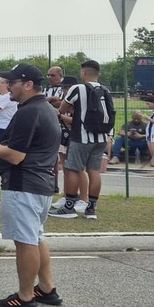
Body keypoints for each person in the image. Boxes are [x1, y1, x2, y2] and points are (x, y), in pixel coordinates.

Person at [0, 63, 62, 307]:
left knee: (25, 242)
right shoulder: (43, 108)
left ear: (27, 85)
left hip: (23, 184)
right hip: (39, 184)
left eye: (12, 83)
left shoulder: (28, 111)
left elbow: (15, 156)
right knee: (35, 237)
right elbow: (21, 149)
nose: (8, 89)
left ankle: (25, 297)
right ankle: (47, 288)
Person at [51, 59, 112, 221]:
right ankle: (91, 209)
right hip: (101, 137)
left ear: (84, 72)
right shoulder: (105, 90)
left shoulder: (78, 88)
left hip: (81, 136)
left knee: (72, 168)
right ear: (97, 73)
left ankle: (69, 206)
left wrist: (68, 110)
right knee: (94, 171)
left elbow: (63, 108)